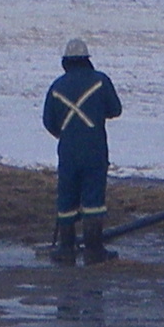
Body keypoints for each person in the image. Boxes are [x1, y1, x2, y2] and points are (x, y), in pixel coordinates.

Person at [42, 37, 123, 262]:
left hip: (68, 151)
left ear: (65, 61)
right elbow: (115, 109)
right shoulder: (100, 81)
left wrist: (67, 133)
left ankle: (66, 248)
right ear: (87, 60)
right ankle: (94, 249)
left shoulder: (56, 87)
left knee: (67, 198)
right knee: (93, 199)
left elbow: (49, 122)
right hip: (95, 150)